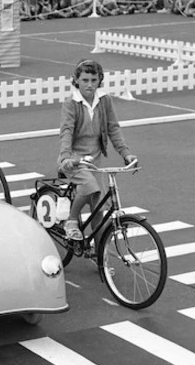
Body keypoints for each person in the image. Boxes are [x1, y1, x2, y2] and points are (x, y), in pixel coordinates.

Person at [58, 59, 137, 241]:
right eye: (85, 80)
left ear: (100, 80)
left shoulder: (104, 100)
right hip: (74, 159)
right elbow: (66, 131)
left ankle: (98, 250)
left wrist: (126, 153)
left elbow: (113, 128)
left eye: (94, 80)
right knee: (90, 187)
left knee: (98, 206)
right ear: (76, 80)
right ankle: (71, 220)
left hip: (94, 159)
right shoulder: (71, 103)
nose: (90, 85)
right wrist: (65, 157)